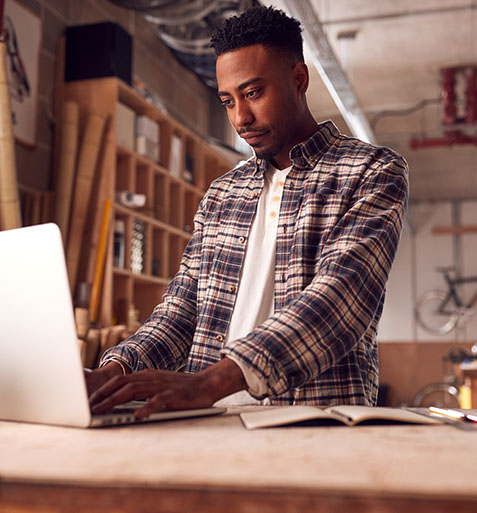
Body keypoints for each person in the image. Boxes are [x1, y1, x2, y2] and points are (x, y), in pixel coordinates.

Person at [87, 5, 408, 418]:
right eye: (227, 101)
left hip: (317, 425)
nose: (241, 117)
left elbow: (339, 303)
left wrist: (210, 382)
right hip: (211, 422)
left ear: (299, 79)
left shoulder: (370, 172)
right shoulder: (223, 193)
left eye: (253, 93)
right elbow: (181, 310)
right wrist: (113, 372)